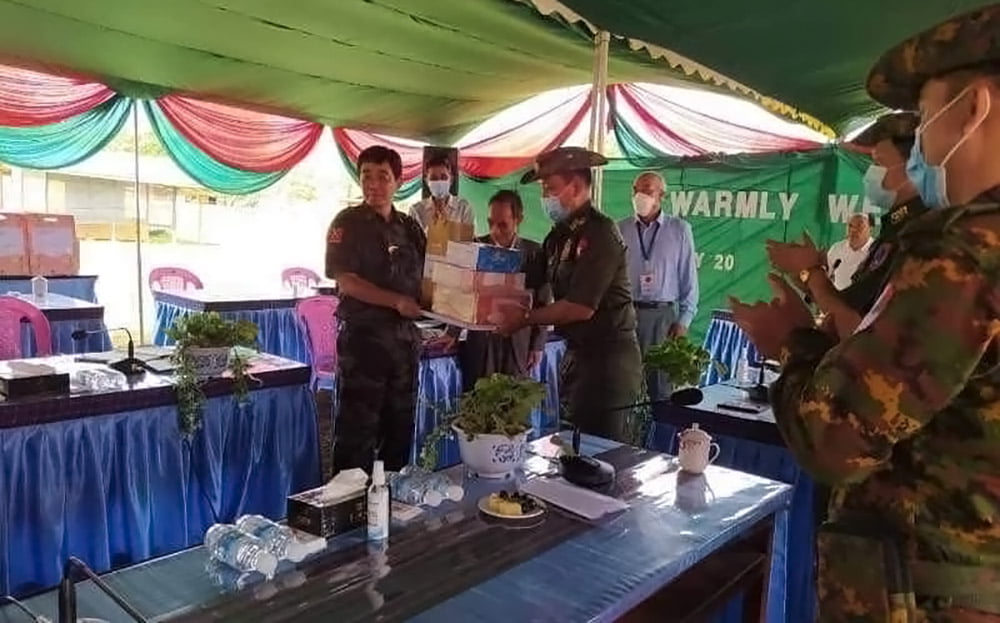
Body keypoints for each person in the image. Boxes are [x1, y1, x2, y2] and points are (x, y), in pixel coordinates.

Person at [731, 5, 1000, 621]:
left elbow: (834, 439)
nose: (924, 142)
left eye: (926, 117)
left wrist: (792, 343)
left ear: (973, 109)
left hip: (933, 592)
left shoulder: (965, 251)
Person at [496, 147, 642, 443]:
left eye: (550, 188)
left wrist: (524, 319)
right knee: (572, 446)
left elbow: (580, 307)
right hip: (577, 356)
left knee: (601, 451)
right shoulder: (559, 235)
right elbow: (527, 278)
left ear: (575, 187)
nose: (545, 198)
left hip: (608, 363)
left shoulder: (601, 233)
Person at [767, 112, 928, 339]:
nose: (871, 173)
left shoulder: (919, 232)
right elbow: (851, 303)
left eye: (879, 163)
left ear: (914, 167)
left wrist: (811, 271)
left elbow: (855, 324)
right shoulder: (895, 228)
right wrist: (804, 279)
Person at [325, 145, 426, 474]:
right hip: (363, 345)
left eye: (383, 176)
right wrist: (397, 302)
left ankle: (392, 499)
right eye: (366, 175)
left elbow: (431, 277)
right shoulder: (347, 223)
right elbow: (347, 282)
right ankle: (349, 502)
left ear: (398, 182)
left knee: (399, 431)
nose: (373, 184)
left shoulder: (410, 228)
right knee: (356, 434)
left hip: (404, 346)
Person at [617, 171, 699, 401]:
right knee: (626, 385)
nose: (640, 195)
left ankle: (659, 424)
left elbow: (689, 279)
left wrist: (684, 321)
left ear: (661, 195)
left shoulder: (679, 229)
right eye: (636, 190)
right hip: (627, 314)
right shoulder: (620, 229)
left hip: (662, 317)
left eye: (647, 190)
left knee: (660, 387)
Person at [457, 190, 548, 391]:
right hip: (482, 341)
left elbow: (542, 301)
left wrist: (537, 344)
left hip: (518, 340)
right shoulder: (476, 248)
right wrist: (452, 332)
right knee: (479, 395)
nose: (495, 230)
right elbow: (461, 294)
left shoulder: (534, 253)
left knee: (514, 397)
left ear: (518, 220)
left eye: (503, 224)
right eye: (490, 223)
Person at [408, 153, 473, 231]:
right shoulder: (416, 211)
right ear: (426, 181)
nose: (439, 182)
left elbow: (469, 237)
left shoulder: (463, 208)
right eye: (433, 178)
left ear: (451, 180)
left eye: (443, 177)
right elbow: (412, 238)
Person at [825, 212, 874, 290]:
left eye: (859, 226)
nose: (853, 230)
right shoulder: (836, 248)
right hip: (837, 296)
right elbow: (828, 276)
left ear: (870, 229)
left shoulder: (877, 250)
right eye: (850, 226)